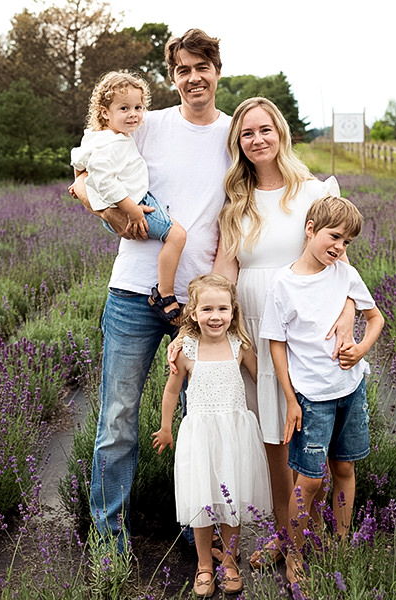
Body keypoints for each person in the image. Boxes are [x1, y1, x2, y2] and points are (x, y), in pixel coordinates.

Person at [71, 29, 231, 552]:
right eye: (182, 70)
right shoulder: (148, 124)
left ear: (217, 71)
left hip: (198, 305)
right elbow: (88, 171)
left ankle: (196, 533)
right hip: (132, 295)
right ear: (173, 77)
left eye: (201, 67)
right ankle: (108, 535)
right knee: (117, 419)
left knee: (198, 420)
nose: (193, 78)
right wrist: (113, 217)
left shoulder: (234, 137)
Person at [212, 97, 355, 567]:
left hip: (308, 330)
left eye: (264, 130)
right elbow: (225, 271)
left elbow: (344, 268)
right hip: (256, 327)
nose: (257, 140)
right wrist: (206, 330)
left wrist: (348, 319)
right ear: (239, 143)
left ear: (281, 133)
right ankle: (282, 533)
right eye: (247, 134)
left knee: (310, 432)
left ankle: (310, 529)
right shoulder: (237, 201)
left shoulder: (314, 192)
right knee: (273, 437)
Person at [259, 194, 385, 583]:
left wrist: (361, 348)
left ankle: (342, 541)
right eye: (334, 237)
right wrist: (291, 400)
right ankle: (294, 554)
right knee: (310, 481)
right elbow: (275, 345)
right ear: (310, 230)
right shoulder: (284, 283)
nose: (339, 247)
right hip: (312, 398)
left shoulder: (345, 274)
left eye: (347, 242)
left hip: (350, 389)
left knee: (344, 467)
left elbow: (375, 317)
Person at [153, 273, 272, 597]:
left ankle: (230, 562)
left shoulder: (239, 346)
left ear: (233, 311)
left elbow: (264, 379)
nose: (215, 316)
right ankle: (205, 564)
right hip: (201, 435)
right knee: (203, 503)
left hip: (235, 434)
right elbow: (171, 392)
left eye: (222, 308)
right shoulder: (186, 349)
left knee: (232, 503)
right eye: (207, 309)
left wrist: (277, 414)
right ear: (193, 313)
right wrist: (166, 428)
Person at [70, 71, 186, 324]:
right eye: (124, 108)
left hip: (126, 202)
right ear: (104, 113)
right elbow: (103, 179)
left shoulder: (98, 138)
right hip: (134, 204)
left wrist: (78, 180)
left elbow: (77, 158)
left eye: (138, 107)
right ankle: (164, 294)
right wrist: (131, 209)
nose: (133, 114)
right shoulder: (112, 144)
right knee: (177, 236)